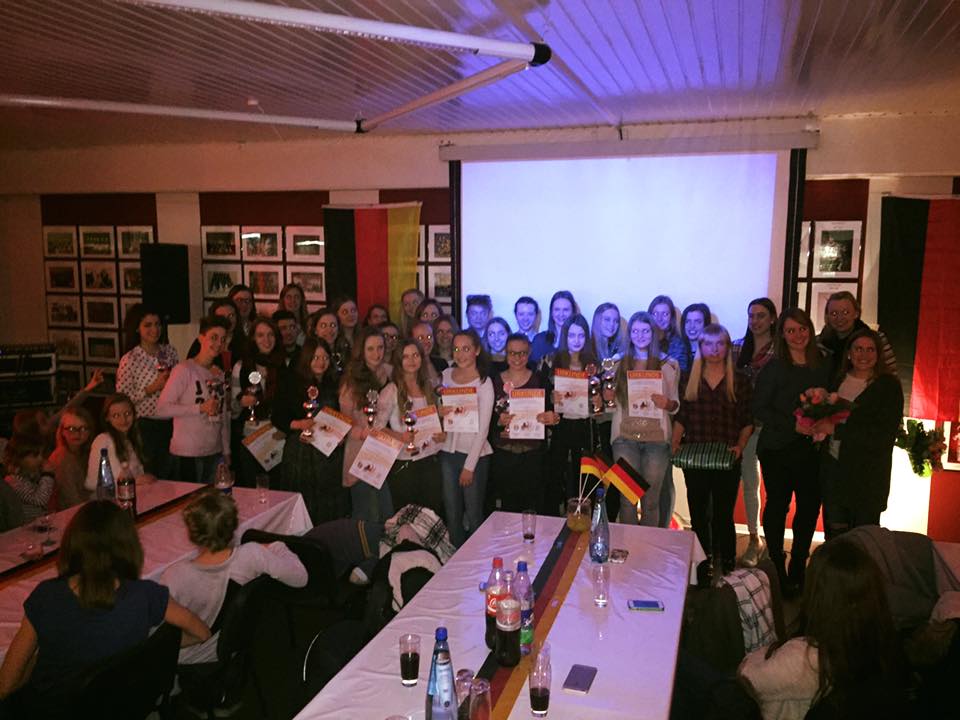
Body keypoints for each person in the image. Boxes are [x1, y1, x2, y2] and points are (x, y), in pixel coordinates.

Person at [0, 501, 210, 705]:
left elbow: (6, 686)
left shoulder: (46, 597)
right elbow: (201, 633)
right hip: (120, 707)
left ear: (72, 544)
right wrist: (148, 652)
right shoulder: (146, 594)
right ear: (128, 545)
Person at [738, 539, 910, 720]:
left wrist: (765, 652)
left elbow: (748, 676)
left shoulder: (805, 657)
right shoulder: (888, 643)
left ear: (817, 595)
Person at [160, 489, 307, 664]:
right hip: (230, 644)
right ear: (233, 525)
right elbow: (300, 577)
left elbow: (156, 636)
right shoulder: (252, 555)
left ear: (192, 533)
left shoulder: (175, 575)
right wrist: (276, 545)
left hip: (187, 658)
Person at [753, 308, 830, 595]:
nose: (798, 335)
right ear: (782, 335)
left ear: (810, 330)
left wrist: (825, 421)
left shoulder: (823, 365)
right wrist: (792, 425)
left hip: (811, 449)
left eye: (802, 329)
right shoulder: (773, 368)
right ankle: (776, 563)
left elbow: (831, 402)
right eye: (791, 331)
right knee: (777, 506)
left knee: (809, 507)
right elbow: (759, 409)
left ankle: (799, 563)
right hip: (777, 449)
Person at [672, 324, 753, 578]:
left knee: (723, 513)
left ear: (727, 347)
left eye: (720, 344)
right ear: (701, 347)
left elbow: (747, 419)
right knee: (698, 514)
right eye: (708, 344)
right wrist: (674, 443)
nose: (714, 349)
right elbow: (682, 416)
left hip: (727, 456)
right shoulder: (688, 378)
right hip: (695, 456)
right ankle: (702, 563)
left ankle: (727, 563)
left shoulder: (740, 380)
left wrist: (740, 446)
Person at [819, 329, 903, 539]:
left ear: (878, 354)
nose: (864, 355)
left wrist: (836, 429)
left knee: (863, 543)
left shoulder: (889, 386)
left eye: (870, 349)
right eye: (858, 349)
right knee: (835, 541)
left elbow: (883, 436)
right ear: (849, 353)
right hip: (835, 475)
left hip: (867, 480)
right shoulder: (838, 380)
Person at [604, 311, 680, 527]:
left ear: (653, 333)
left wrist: (666, 403)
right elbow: (608, 405)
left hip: (657, 440)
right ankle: (629, 544)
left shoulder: (668, 364)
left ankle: (649, 546)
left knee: (651, 502)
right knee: (627, 499)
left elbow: (675, 405)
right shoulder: (615, 363)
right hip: (624, 438)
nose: (640, 336)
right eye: (635, 331)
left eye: (645, 331)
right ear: (629, 334)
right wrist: (607, 397)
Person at [272, 338, 349, 523]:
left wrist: (342, 435)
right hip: (301, 453)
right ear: (306, 358)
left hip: (329, 454)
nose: (321, 362)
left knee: (329, 507)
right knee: (303, 507)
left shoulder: (335, 382)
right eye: (315, 357)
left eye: (325, 357)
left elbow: (342, 416)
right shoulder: (292, 382)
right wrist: (299, 424)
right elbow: (278, 417)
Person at [374, 339, 446, 520]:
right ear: (399, 361)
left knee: (431, 518)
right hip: (405, 465)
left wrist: (441, 434)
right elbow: (377, 428)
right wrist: (400, 436)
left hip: (431, 460)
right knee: (406, 520)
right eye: (406, 356)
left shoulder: (428, 386)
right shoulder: (391, 390)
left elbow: (436, 421)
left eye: (415, 355)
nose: (412, 360)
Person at [157, 316, 232, 484]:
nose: (218, 343)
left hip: (214, 451)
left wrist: (226, 450)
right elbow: (162, 409)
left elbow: (223, 415)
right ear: (201, 338)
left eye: (223, 339)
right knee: (191, 499)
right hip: (188, 452)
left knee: (213, 497)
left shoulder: (218, 374)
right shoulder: (184, 370)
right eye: (213, 337)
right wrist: (199, 408)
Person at [732, 298, 778, 567]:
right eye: (751, 316)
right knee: (750, 484)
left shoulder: (781, 349)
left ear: (772, 318)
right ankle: (754, 539)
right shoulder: (738, 347)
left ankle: (773, 543)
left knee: (776, 488)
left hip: (773, 427)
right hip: (746, 426)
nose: (755, 321)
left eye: (761, 315)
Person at [490, 333, 558, 513]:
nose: (517, 358)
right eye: (512, 353)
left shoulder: (540, 380)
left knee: (534, 509)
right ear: (506, 354)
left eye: (522, 353)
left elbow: (551, 413)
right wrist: (498, 422)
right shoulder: (494, 381)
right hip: (504, 455)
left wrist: (552, 418)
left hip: (533, 455)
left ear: (529, 353)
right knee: (508, 510)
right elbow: (486, 419)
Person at [439, 329, 494, 546]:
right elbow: (436, 409)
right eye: (456, 349)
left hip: (475, 456)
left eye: (466, 349)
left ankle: (476, 558)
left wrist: (469, 466)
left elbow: (484, 429)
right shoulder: (445, 376)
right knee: (452, 512)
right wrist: (439, 412)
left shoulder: (484, 382)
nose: (460, 354)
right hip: (447, 452)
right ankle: (454, 558)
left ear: (477, 351)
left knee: (473, 514)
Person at [116, 304, 179, 478]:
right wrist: (152, 388)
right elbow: (122, 399)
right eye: (148, 325)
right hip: (145, 425)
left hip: (171, 421)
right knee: (151, 473)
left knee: (172, 473)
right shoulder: (130, 359)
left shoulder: (169, 351)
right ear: (138, 328)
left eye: (157, 324)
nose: (155, 329)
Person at [339, 326, 392, 522]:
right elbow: (344, 424)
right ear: (361, 350)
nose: (376, 353)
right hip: (361, 453)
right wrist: (362, 433)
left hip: (386, 452)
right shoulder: (351, 382)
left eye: (380, 347)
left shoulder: (390, 373)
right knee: (367, 516)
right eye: (370, 348)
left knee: (386, 514)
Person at [549, 315, 598, 508]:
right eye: (571, 335)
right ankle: (555, 517)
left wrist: (598, 400)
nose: (576, 340)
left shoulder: (594, 365)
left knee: (583, 477)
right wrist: (551, 398)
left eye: (581, 335)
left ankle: (581, 516)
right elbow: (543, 395)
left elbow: (601, 401)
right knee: (555, 475)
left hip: (584, 426)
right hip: (559, 425)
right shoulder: (552, 361)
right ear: (564, 337)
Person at [230, 316, 284, 488]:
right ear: (253, 338)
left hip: (278, 436)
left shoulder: (284, 364)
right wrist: (241, 402)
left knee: (277, 488)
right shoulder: (241, 366)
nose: (266, 340)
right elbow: (233, 409)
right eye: (260, 335)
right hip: (251, 438)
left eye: (270, 335)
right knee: (252, 488)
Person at [818, 291, 897, 379]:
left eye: (845, 312)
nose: (839, 318)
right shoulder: (819, 343)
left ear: (856, 314)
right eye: (834, 313)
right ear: (827, 316)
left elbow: (891, 373)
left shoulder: (877, 339)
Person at [84, 393, 155, 492]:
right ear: (107, 418)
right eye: (116, 415)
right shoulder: (102, 440)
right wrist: (133, 481)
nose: (123, 420)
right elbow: (92, 483)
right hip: (113, 499)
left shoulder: (131, 440)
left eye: (127, 414)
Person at [47, 406, 94, 508]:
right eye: (71, 429)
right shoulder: (62, 458)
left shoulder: (85, 453)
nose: (77, 434)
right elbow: (72, 501)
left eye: (83, 428)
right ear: (62, 432)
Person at [3, 430, 54, 521]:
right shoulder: (13, 481)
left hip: (40, 520)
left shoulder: (32, 472)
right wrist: (48, 474)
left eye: (41, 454)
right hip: (27, 524)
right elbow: (40, 500)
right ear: (20, 457)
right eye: (35, 455)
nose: (40, 458)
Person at [188, 299, 247, 371]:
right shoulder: (202, 342)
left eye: (231, 315)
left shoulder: (245, 343)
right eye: (221, 316)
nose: (227, 320)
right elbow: (190, 368)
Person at [530, 291, 578, 364]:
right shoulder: (539, 340)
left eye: (565, 310)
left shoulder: (580, 340)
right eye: (557, 309)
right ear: (551, 312)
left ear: (573, 312)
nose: (561, 314)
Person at [309, 306, 347, 375]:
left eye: (333, 325)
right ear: (315, 330)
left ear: (339, 329)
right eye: (323, 326)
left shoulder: (347, 353)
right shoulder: (307, 356)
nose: (329, 330)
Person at [648, 295, 685, 366]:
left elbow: (680, 369)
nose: (659, 318)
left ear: (671, 317)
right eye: (655, 314)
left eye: (665, 314)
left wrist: (663, 357)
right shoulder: (642, 339)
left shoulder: (678, 343)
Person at [680, 302, 712, 373]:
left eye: (697, 322)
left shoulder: (713, 353)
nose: (692, 326)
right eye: (688, 321)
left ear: (706, 324)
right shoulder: (676, 351)